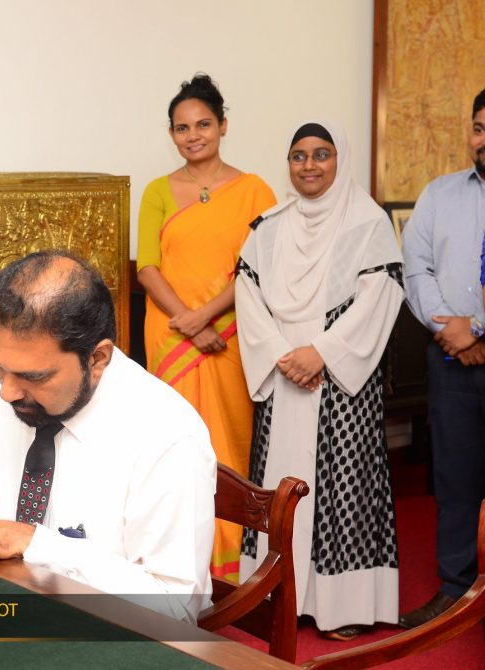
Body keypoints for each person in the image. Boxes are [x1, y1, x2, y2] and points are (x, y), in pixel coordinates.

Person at [0, 251, 217, 623]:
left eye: (33, 377)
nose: (6, 391)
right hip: (13, 606)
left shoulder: (167, 435)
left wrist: (31, 542)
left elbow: (175, 607)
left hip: (112, 631)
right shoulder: (7, 375)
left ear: (97, 359)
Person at [235, 120, 403, 639]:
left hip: (340, 383)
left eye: (322, 154)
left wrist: (322, 354)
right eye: (299, 155)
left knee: (342, 487)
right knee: (278, 486)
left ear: (340, 159)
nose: (309, 166)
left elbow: (380, 297)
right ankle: (273, 594)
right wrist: (283, 355)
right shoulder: (268, 227)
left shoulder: (368, 223)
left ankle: (341, 608)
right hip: (283, 375)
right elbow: (248, 290)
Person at [136, 75, 276, 583]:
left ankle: (233, 568)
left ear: (223, 126)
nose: (193, 135)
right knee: (174, 447)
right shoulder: (157, 191)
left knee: (229, 446)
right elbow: (147, 267)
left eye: (203, 125)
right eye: (182, 128)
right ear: (171, 134)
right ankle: (177, 566)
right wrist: (190, 323)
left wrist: (207, 316)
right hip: (171, 335)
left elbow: (259, 267)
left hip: (232, 334)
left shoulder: (255, 190)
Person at [400, 89, 485, 628]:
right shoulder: (439, 194)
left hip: (466, 339)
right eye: (479, 128)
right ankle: (456, 588)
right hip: (451, 361)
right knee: (455, 478)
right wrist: (449, 329)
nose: (483, 139)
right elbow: (416, 267)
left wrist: (475, 327)